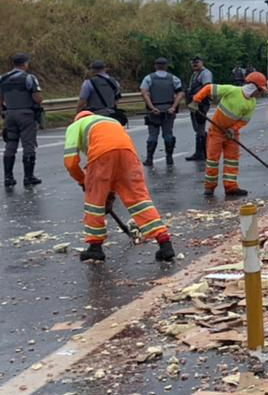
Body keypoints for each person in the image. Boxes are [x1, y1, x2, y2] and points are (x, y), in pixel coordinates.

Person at [63, 110, 174, 262]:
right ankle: (164, 241)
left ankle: (95, 247)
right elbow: (114, 169)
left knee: (94, 203)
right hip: (129, 156)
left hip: (101, 156)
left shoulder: (75, 126)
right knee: (140, 201)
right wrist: (109, 196)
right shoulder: (110, 122)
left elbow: (70, 162)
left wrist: (83, 181)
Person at [191, 71, 266, 198]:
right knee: (213, 161)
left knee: (232, 161)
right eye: (260, 90)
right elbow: (209, 88)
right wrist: (196, 100)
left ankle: (231, 187)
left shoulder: (252, 103)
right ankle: (209, 188)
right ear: (253, 87)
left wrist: (233, 129)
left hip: (232, 134)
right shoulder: (231, 90)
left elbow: (244, 120)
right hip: (216, 131)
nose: (260, 93)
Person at [1, 53, 43, 189]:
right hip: (25, 114)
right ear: (25, 63)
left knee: (10, 144)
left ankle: (8, 177)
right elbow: (37, 98)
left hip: (9, 114)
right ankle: (28, 177)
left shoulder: (2, 78)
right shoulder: (29, 78)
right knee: (28, 145)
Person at [140, 58, 185, 167]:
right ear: (166, 66)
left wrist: (151, 108)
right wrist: (173, 107)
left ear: (155, 66)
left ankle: (149, 159)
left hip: (154, 111)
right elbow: (180, 93)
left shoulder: (148, 78)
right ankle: (169, 158)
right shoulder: (173, 78)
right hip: (168, 111)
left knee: (152, 135)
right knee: (168, 134)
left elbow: (144, 93)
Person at [185, 57, 214, 162]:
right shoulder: (195, 74)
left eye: (197, 63)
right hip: (195, 103)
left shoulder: (205, 73)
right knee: (197, 128)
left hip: (201, 104)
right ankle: (201, 152)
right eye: (193, 63)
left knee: (200, 128)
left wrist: (197, 101)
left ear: (202, 62)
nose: (195, 64)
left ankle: (202, 153)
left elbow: (207, 88)